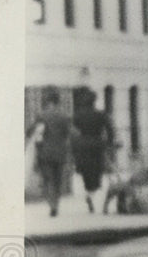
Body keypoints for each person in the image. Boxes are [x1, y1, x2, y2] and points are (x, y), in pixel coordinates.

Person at [27, 88, 72, 217]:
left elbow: (30, 131)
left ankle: (51, 204)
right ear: (58, 101)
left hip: (45, 153)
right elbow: (69, 134)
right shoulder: (64, 116)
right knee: (58, 181)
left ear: (48, 101)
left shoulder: (41, 115)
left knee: (47, 180)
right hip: (60, 153)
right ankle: (56, 205)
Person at [71, 87, 114, 213]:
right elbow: (110, 129)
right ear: (94, 101)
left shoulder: (78, 115)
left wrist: (75, 147)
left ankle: (88, 194)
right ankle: (91, 194)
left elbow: (73, 131)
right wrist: (109, 143)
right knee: (96, 172)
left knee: (85, 172)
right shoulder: (100, 114)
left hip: (83, 146)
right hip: (97, 145)